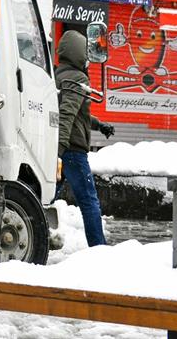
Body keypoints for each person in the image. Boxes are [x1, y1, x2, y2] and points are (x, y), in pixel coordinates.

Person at [55, 29, 116, 247]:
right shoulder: (77, 78)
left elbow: (77, 112)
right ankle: (98, 248)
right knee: (89, 201)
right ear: (78, 53)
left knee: (46, 198)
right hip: (72, 151)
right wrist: (60, 153)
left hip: (61, 148)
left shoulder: (57, 75)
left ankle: (40, 233)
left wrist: (98, 125)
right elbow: (67, 114)